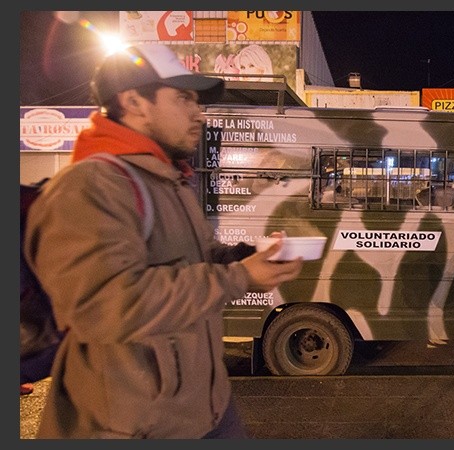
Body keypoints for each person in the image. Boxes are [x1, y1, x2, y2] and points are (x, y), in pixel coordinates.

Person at [23, 43, 303, 439]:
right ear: (134, 101)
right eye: (184, 98)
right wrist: (238, 278)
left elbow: (196, 259)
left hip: (209, 413)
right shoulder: (89, 186)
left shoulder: (169, 180)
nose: (198, 113)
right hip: (130, 427)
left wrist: (246, 257)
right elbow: (105, 304)